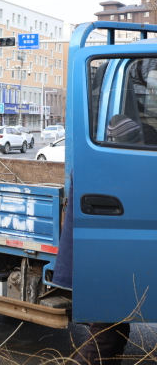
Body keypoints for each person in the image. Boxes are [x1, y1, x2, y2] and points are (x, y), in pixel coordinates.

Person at [53, 115, 140, 365]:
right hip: (103, 259)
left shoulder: (105, 161)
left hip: (103, 256)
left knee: (116, 327)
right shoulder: (106, 166)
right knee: (105, 332)